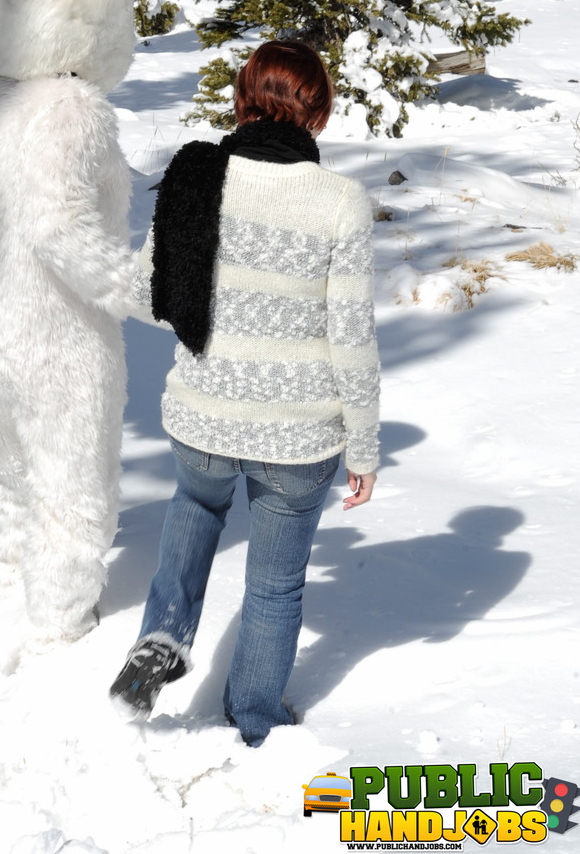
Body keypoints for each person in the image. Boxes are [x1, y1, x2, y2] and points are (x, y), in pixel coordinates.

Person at [110, 39, 380, 746]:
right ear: (318, 113)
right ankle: (255, 722)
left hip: (203, 415)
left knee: (195, 509)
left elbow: (146, 297)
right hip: (299, 435)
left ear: (241, 100)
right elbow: (350, 336)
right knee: (274, 586)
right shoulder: (341, 202)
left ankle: (159, 642)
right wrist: (364, 446)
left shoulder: (197, 175)